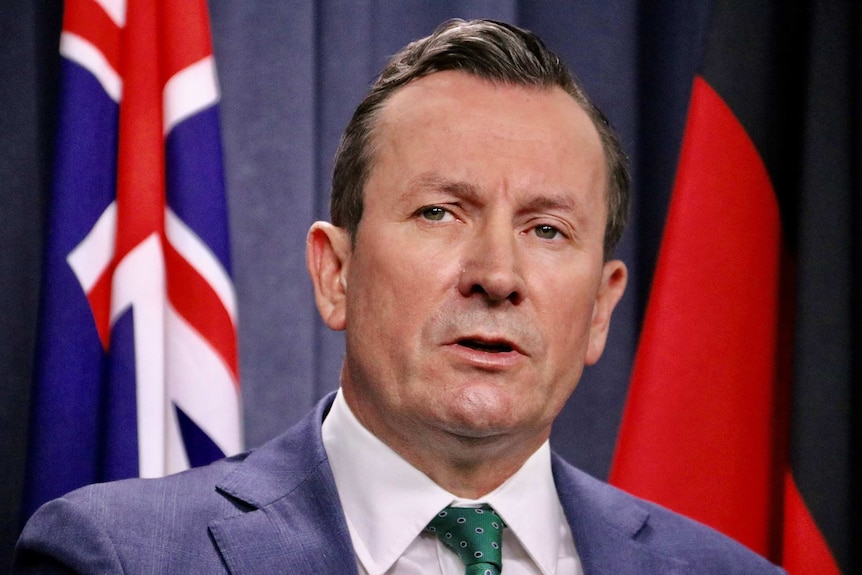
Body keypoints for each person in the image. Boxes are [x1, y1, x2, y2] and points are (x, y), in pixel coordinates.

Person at [14, 19, 785, 575]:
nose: (498, 273)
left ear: (599, 309)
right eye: (440, 212)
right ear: (334, 272)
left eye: (547, 229)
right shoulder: (120, 557)